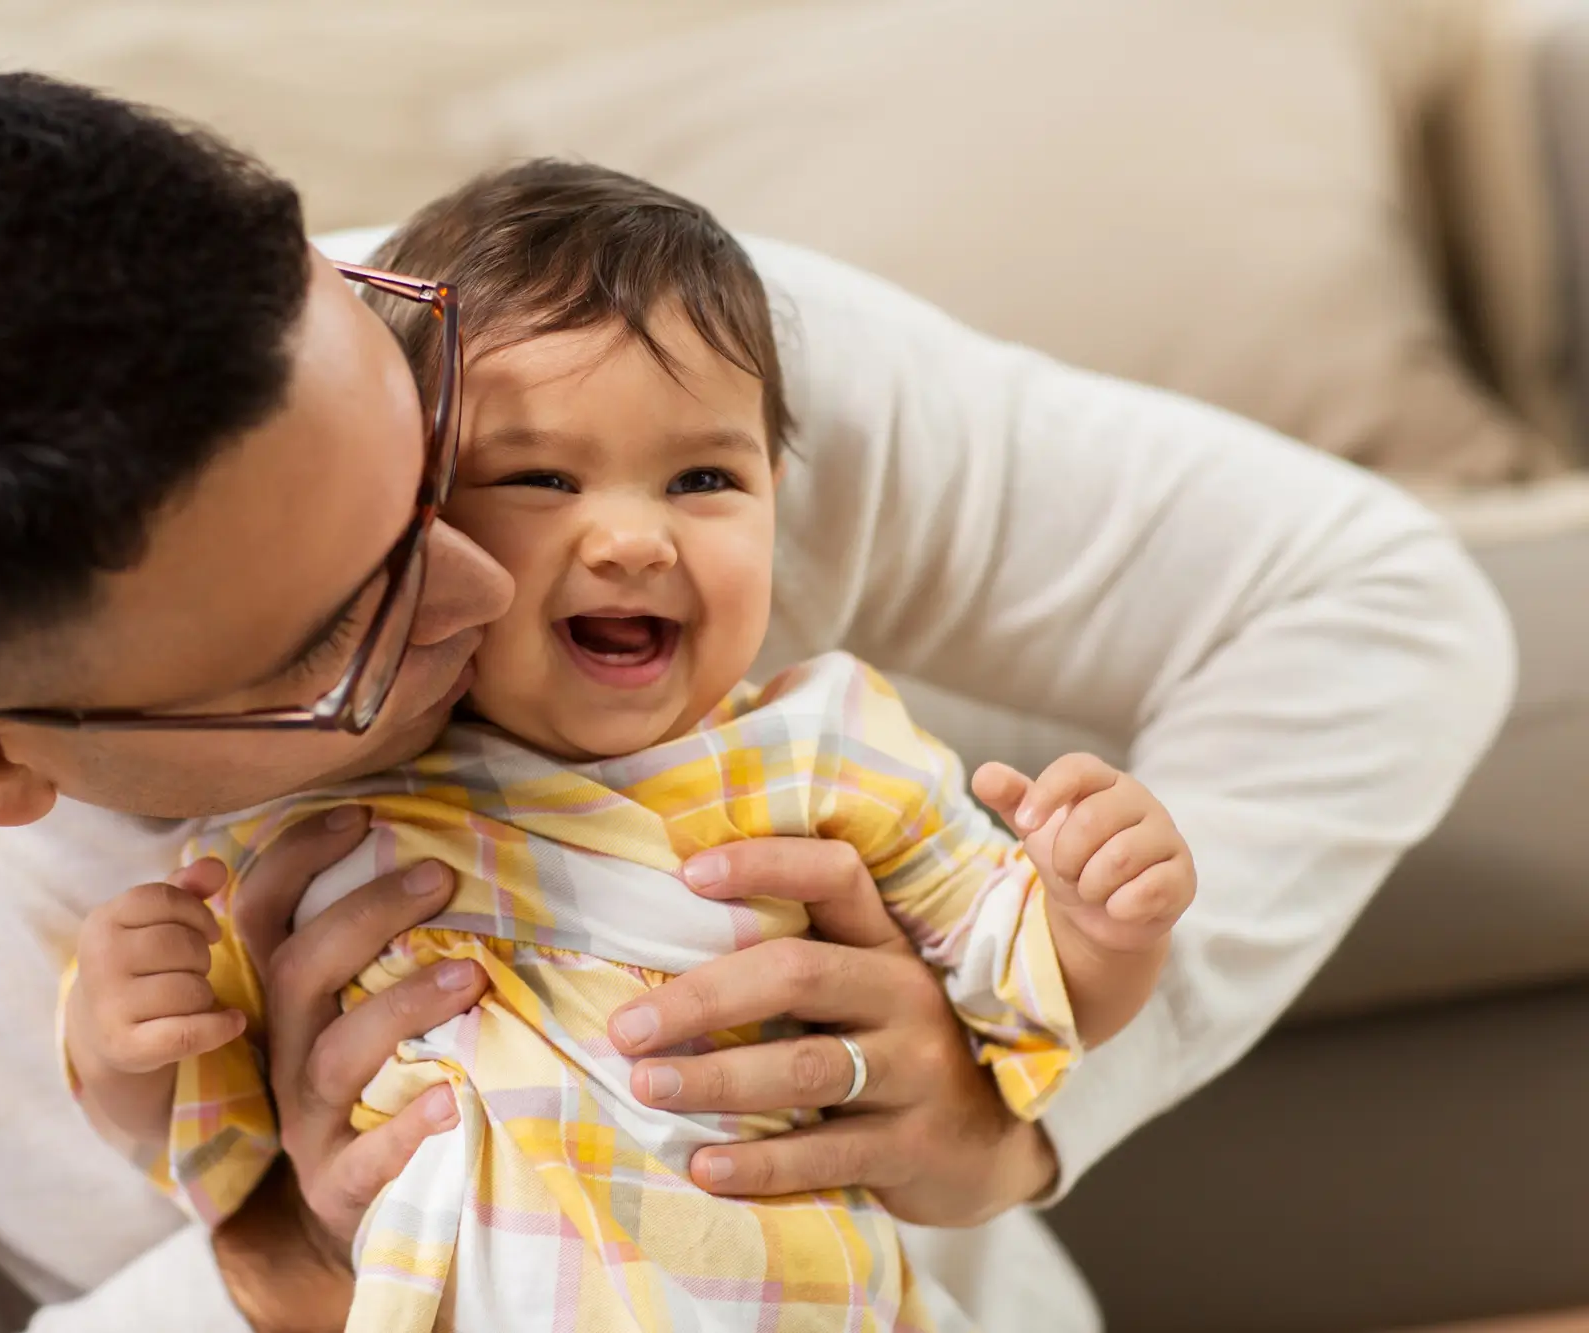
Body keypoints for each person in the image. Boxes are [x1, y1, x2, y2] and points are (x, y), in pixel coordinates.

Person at [0, 73, 1511, 1333]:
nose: (499, 576)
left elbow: (1369, 599)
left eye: (416, 447)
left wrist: (1014, 1101)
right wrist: (271, 1265)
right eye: (342, 624)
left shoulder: (579, 359)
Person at [61, 161, 1198, 1331]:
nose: (630, 538)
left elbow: (1023, 993)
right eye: (540, 478)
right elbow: (212, 1123)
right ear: (406, 517)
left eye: (703, 477)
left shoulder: (820, 751)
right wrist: (124, 1036)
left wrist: (1099, 917)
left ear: (776, 496)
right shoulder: (326, 798)